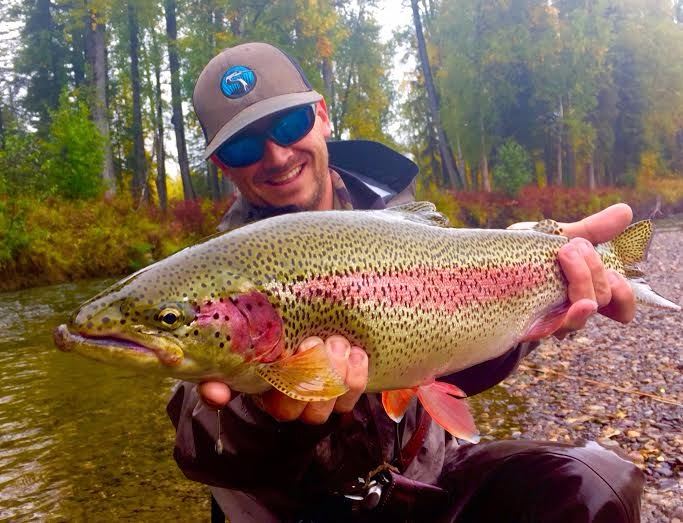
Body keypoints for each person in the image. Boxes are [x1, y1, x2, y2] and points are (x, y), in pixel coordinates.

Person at [167, 42, 644, 522]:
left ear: (322, 116)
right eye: (244, 146)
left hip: (425, 483)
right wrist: (263, 414)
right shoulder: (212, 278)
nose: (276, 154)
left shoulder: (404, 228)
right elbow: (196, 440)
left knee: (595, 483)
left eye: (290, 124)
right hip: (293, 512)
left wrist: (547, 286)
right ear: (222, 164)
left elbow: (459, 354)